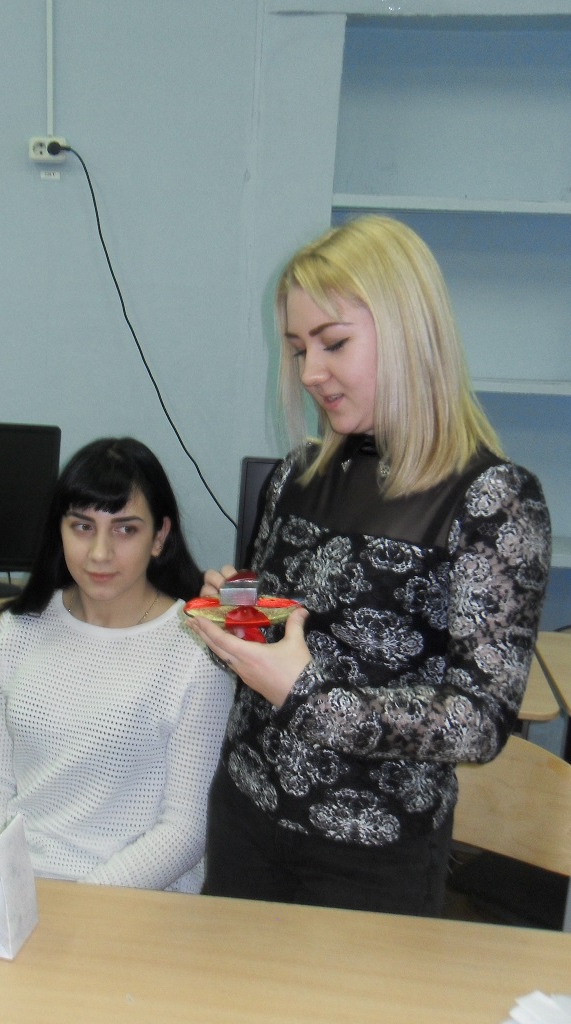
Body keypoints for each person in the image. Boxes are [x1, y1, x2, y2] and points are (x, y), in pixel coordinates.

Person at [187, 214, 551, 916]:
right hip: (246, 815)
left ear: (410, 331)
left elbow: (478, 720)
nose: (309, 373)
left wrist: (308, 696)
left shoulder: (493, 501)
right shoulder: (297, 475)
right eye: (298, 349)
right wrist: (235, 619)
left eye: (334, 343)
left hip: (371, 856)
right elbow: (287, 637)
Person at [0, 437, 232, 892]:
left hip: (132, 896)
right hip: (20, 885)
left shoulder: (197, 648)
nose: (100, 553)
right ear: (60, 531)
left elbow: (185, 830)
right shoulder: (21, 627)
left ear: (160, 536)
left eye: (125, 530)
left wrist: (79, 906)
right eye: (82, 527)